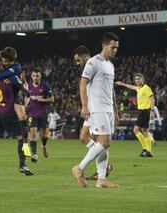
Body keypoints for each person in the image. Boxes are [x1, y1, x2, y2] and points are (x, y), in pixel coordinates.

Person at [72, 32, 120, 188]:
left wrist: (115, 110)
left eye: (117, 48)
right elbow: (82, 83)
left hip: (108, 109)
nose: (115, 50)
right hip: (97, 108)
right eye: (113, 47)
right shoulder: (93, 62)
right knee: (105, 142)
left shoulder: (110, 65)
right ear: (104, 45)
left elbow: (110, 90)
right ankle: (79, 168)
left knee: (102, 143)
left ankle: (101, 180)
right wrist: (85, 105)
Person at [0, 61, 33, 176]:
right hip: (7, 112)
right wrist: (24, 81)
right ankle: (22, 166)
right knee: (21, 137)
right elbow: (25, 89)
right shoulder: (11, 77)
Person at [115, 73, 155, 157]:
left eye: (139, 79)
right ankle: (148, 151)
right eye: (136, 79)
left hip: (145, 111)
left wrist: (152, 110)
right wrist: (122, 84)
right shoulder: (138, 88)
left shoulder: (146, 88)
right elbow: (131, 87)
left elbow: (152, 98)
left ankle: (145, 149)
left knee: (135, 130)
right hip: (142, 111)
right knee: (144, 131)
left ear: (142, 79)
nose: (137, 80)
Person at [25, 68, 54, 162]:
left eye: (37, 75)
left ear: (40, 76)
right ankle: (34, 155)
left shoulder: (45, 86)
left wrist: (42, 99)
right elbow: (27, 96)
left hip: (42, 114)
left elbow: (52, 99)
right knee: (32, 134)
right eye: (34, 75)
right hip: (32, 114)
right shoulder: (29, 86)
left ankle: (44, 146)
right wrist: (26, 106)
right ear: (31, 76)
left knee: (44, 135)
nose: (35, 77)